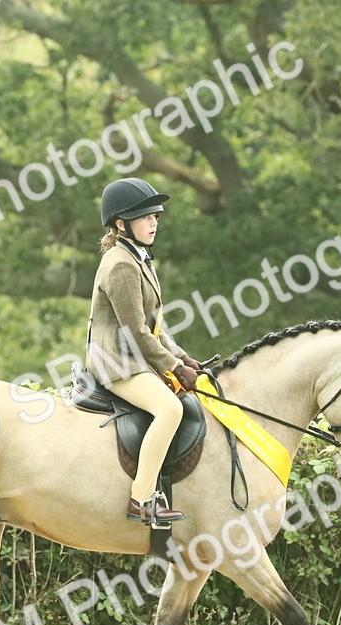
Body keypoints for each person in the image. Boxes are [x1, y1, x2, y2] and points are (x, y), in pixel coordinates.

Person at [84, 177, 203, 526]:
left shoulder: (139, 258)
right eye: (145, 217)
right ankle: (142, 500)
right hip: (116, 362)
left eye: (155, 216)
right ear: (121, 225)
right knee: (169, 409)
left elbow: (153, 325)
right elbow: (135, 332)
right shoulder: (121, 264)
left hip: (134, 356)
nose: (153, 223)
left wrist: (182, 357)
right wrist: (174, 368)